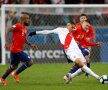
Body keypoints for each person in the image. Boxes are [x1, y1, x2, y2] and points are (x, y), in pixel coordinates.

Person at [29, 21, 101, 84]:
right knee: (81, 64)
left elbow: (80, 31)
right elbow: (48, 31)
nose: (73, 28)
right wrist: (35, 32)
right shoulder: (61, 30)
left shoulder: (72, 33)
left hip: (77, 51)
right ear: (68, 25)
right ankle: (98, 77)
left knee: (83, 68)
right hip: (70, 51)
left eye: (73, 27)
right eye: (72, 26)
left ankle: (70, 76)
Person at [0, 12, 37, 86]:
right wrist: (6, 42)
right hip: (16, 50)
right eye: (28, 19)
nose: (29, 20)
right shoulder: (18, 26)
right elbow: (7, 30)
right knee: (30, 62)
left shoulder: (24, 28)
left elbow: (23, 39)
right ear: (23, 20)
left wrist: (30, 44)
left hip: (15, 50)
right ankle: (15, 73)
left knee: (14, 66)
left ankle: (2, 78)